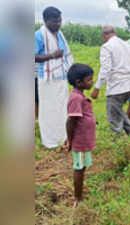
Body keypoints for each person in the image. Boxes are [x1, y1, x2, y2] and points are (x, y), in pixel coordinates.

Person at [35, 6, 74, 149]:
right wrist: (51, 55)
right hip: (47, 79)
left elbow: (66, 54)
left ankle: (63, 136)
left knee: (62, 108)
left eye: (60, 21)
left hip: (61, 77)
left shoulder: (60, 34)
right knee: (48, 110)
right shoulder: (39, 35)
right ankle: (50, 141)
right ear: (46, 21)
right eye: (55, 21)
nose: (58, 24)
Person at [91, 26, 130, 136]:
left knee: (113, 116)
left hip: (117, 86)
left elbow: (105, 69)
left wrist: (97, 87)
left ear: (104, 36)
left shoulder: (107, 47)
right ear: (114, 33)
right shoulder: (127, 45)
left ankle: (117, 142)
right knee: (118, 109)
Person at [66, 63, 96, 207]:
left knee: (82, 166)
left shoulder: (80, 96)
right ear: (79, 82)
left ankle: (80, 194)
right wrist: (70, 140)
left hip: (84, 139)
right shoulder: (76, 98)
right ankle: (78, 199)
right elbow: (71, 121)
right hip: (80, 141)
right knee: (79, 168)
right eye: (89, 80)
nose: (92, 82)